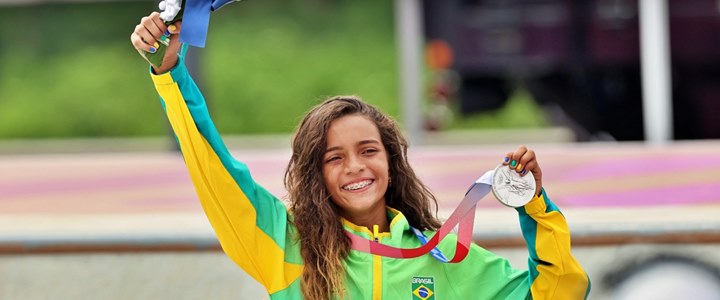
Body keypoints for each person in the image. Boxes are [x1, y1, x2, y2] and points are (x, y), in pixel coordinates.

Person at [131, 12, 590, 300]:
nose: (355, 166)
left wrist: (536, 209)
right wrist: (170, 72)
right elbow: (214, 168)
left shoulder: (447, 258)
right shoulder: (283, 244)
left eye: (368, 150)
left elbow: (559, 293)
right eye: (333, 158)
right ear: (315, 174)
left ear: (391, 161)